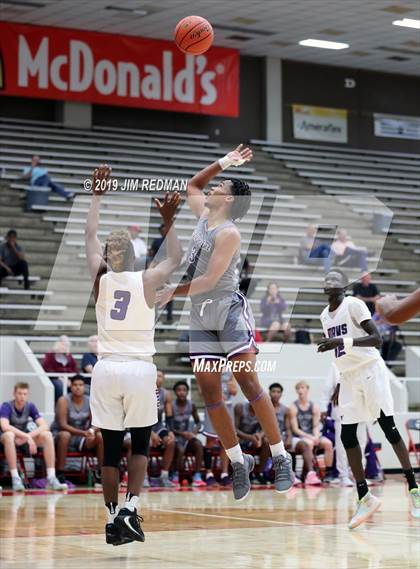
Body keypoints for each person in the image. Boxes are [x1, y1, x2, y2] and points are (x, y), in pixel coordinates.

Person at [156, 144, 294, 500]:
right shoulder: (204, 215)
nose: (214, 188)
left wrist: (173, 291)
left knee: (248, 380)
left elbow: (210, 281)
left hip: (227, 308)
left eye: (222, 186)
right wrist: (224, 163)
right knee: (210, 393)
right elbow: (193, 184)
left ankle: (280, 456)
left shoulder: (229, 232)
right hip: (201, 314)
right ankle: (237, 461)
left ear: (229, 201)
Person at [85, 165, 182, 546]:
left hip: (106, 368)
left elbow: (90, 235)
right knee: (140, 444)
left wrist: (96, 195)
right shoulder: (146, 279)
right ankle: (129, 508)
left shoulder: (101, 277)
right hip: (139, 369)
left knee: (110, 449)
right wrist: (168, 221)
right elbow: (174, 257)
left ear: (110, 255)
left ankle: (111, 519)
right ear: (135, 254)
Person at [318, 268, 419, 528]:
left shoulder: (354, 305)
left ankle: (414, 489)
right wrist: (340, 381)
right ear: (324, 288)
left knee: (389, 429)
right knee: (347, 436)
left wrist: (343, 340)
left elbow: (377, 339)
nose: (331, 282)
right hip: (349, 377)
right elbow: (338, 354)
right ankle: (365, 496)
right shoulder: (323, 317)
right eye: (327, 279)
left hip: (371, 371)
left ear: (344, 287)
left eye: (336, 279)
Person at [0, 382, 67, 491]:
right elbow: (4, 426)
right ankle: (15, 478)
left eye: (25, 394)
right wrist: (27, 436)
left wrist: (28, 437)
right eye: (19, 393)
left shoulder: (30, 406)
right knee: (9, 435)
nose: (22, 396)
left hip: (23, 439)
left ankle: (51, 477)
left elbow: (44, 426)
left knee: (47, 435)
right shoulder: (6, 406)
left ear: (28, 395)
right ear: (14, 394)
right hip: (8, 440)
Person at [320, 364, 367, 487]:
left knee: (361, 444)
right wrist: (323, 407)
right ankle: (343, 476)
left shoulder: (362, 363)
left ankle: (359, 476)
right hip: (342, 410)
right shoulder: (336, 365)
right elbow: (327, 388)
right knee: (342, 446)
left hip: (360, 409)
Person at [52, 375, 104, 485]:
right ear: (71, 386)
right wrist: (83, 433)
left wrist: (91, 431)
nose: (78, 387)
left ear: (84, 387)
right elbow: (62, 425)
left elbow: (96, 422)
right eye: (75, 385)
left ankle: (101, 472)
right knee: (65, 435)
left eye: (80, 385)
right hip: (61, 434)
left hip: (81, 435)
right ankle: (60, 472)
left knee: (100, 436)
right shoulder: (63, 400)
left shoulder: (89, 400)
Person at [289, 380, 335, 485]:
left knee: (328, 444)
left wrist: (316, 436)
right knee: (308, 444)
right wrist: (310, 437)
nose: (300, 390)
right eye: (298, 388)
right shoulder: (293, 407)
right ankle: (308, 473)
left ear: (307, 389)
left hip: (312, 435)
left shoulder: (314, 406)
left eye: (302, 387)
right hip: (300, 436)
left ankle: (328, 473)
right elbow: (295, 429)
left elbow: (315, 425)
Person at [202, 369, 237, 487]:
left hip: (227, 407)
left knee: (225, 442)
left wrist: (232, 387)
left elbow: (234, 391)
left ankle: (224, 474)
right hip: (212, 405)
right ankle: (208, 474)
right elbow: (202, 387)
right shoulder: (208, 363)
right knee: (210, 440)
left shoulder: (230, 366)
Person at [171, 381, 206, 487]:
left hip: (187, 437)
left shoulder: (192, 405)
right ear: (175, 392)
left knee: (198, 444)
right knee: (180, 449)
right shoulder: (171, 406)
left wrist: (194, 432)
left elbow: (198, 423)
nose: (181, 392)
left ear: (187, 392)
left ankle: (197, 475)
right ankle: (175, 475)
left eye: (184, 390)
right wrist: (182, 433)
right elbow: (169, 426)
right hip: (175, 436)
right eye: (179, 390)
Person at [150, 370, 176, 488]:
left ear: (163, 379)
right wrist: (150, 433)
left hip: (158, 425)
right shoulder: (145, 391)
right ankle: (143, 477)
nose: (158, 378)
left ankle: (164, 476)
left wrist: (170, 431)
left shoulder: (166, 394)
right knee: (144, 443)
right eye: (155, 375)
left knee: (170, 442)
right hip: (144, 425)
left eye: (160, 376)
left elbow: (169, 416)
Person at [235, 399, 270, 486]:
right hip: (241, 437)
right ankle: (240, 474)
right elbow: (234, 429)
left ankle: (259, 473)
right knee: (235, 439)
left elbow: (265, 428)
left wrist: (260, 436)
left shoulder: (262, 409)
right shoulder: (240, 407)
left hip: (253, 439)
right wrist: (249, 437)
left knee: (266, 442)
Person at [42, 335, 78, 402]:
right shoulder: (50, 354)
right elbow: (46, 368)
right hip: (55, 379)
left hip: (68, 379)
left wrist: (70, 379)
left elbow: (74, 369)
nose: (65, 346)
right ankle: (60, 406)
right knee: (59, 385)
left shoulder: (69, 356)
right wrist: (59, 377)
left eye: (67, 345)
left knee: (78, 385)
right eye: (63, 344)